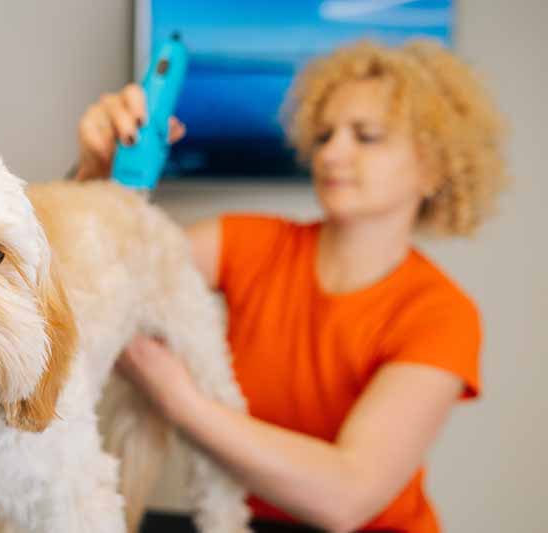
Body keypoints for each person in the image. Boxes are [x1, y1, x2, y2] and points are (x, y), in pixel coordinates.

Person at [73, 39, 508, 533]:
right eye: (324, 136)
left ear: (434, 168)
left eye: (365, 136)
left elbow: (347, 497)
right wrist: (96, 173)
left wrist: (180, 400)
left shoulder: (440, 312)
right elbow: (97, 274)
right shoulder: (252, 243)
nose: (333, 153)